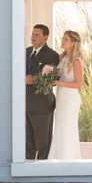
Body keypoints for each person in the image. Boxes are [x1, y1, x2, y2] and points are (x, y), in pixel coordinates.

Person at [25, 23, 60, 159]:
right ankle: (27, 168)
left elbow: (52, 79)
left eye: (37, 34)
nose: (33, 37)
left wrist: (32, 80)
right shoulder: (26, 52)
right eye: (32, 34)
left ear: (45, 38)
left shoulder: (52, 55)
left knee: (43, 142)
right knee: (28, 141)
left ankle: (43, 169)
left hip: (41, 105)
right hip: (25, 104)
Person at [48, 30, 84, 160]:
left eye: (66, 39)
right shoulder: (62, 58)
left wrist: (58, 82)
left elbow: (78, 84)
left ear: (73, 44)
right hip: (61, 97)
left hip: (70, 98)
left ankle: (69, 158)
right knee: (60, 127)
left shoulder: (76, 61)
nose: (62, 41)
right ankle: (58, 157)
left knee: (68, 127)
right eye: (63, 38)